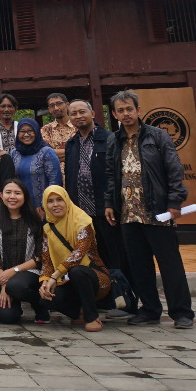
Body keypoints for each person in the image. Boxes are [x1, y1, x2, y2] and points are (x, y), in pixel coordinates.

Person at [104, 90, 195, 328]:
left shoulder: (158, 136)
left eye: (129, 109)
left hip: (158, 212)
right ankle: (150, 309)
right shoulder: (114, 140)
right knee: (139, 265)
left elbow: (174, 170)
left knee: (170, 264)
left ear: (138, 110)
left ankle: (182, 312)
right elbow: (111, 175)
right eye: (120, 110)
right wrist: (110, 204)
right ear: (114, 114)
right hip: (128, 213)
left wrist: (175, 201)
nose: (125, 114)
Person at [65, 100, 126, 270]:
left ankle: (123, 293)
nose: (78, 116)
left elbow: (117, 175)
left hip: (107, 211)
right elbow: (70, 178)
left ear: (92, 114)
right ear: (69, 118)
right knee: (91, 257)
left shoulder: (110, 139)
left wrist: (112, 202)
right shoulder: (71, 144)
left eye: (82, 112)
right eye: (74, 113)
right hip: (82, 213)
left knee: (115, 256)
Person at [42, 185, 110, 332]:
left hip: (96, 277)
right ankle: (79, 311)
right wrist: (45, 281)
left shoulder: (83, 221)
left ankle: (92, 318)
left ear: (67, 200)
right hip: (66, 279)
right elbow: (46, 259)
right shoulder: (48, 228)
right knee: (45, 297)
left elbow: (78, 254)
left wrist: (55, 275)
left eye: (59, 200)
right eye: (50, 201)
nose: (55, 205)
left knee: (77, 271)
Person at [0, 179, 49, 325]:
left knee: (16, 286)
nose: (12, 196)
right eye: (8, 192)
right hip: (2, 276)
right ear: (1, 196)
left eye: (17, 193)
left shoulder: (34, 220)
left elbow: (40, 256)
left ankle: (40, 306)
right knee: (7, 318)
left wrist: (14, 271)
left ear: (25, 196)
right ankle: (15, 305)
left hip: (29, 273)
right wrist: (3, 283)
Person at [11, 117, 62, 215]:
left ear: (37, 132)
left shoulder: (46, 152)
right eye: (22, 131)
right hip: (21, 206)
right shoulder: (14, 153)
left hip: (43, 208)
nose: (26, 135)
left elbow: (55, 181)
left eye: (30, 131)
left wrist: (45, 205)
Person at [42, 93, 77, 161]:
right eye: (52, 106)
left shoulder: (78, 125)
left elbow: (83, 150)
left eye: (59, 103)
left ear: (67, 105)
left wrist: (56, 154)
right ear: (49, 109)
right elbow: (45, 154)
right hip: (55, 170)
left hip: (78, 170)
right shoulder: (45, 129)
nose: (56, 108)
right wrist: (73, 153)